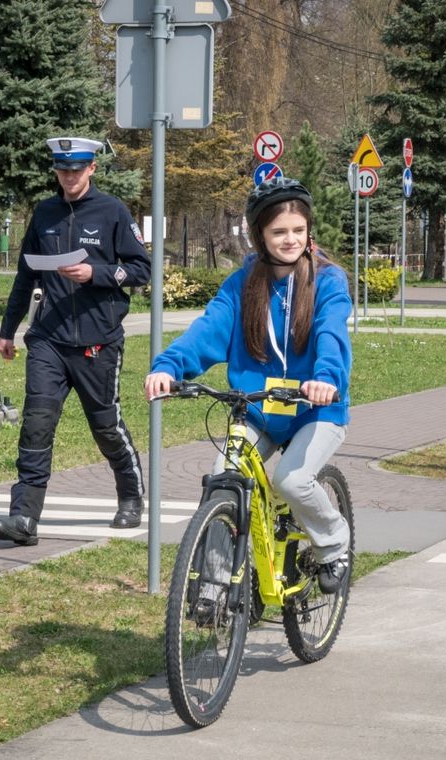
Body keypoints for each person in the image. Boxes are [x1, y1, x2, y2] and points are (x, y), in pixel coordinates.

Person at [143, 177, 353, 592]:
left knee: (291, 481)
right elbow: (209, 329)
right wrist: (169, 367)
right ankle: (216, 587)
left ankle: (333, 543)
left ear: (310, 230)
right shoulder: (243, 284)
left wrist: (325, 378)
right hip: (259, 406)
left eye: (298, 230)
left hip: (315, 407)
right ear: (259, 236)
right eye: (279, 232)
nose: (290, 239)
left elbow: (332, 332)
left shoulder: (327, 281)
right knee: (225, 479)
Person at [0, 136, 152, 547]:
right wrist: (7, 330)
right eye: (63, 170)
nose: (69, 177)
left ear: (92, 168)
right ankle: (24, 517)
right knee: (36, 425)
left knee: (105, 426)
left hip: (99, 341)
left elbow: (141, 269)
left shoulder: (113, 211)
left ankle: (131, 496)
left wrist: (95, 274)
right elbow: (27, 274)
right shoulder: (44, 213)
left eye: (77, 170)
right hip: (48, 340)